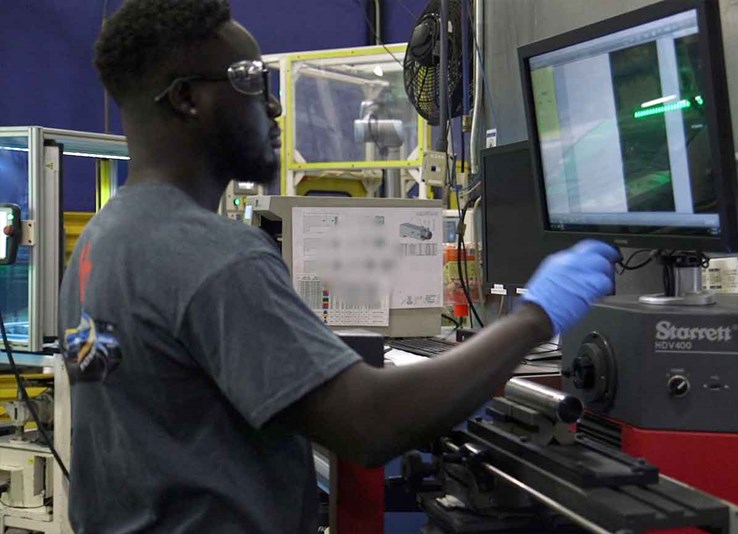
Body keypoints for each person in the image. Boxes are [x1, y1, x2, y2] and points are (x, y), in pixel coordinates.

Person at [58, 0, 621, 532]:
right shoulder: (211, 255)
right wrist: (533, 318)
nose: (273, 106)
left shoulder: (102, 240)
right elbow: (369, 424)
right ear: (187, 99)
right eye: (251, 81)